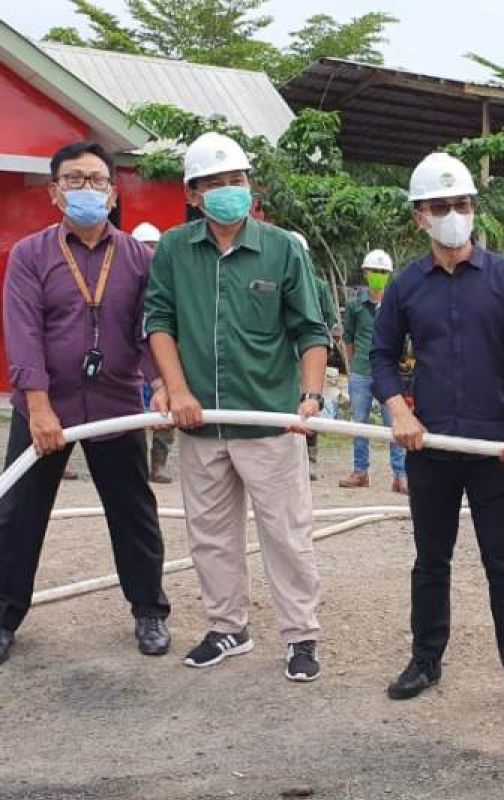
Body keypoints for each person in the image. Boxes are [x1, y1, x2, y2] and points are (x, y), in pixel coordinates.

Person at [144, 132, 330, 682]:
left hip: (268, 420)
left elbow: (310, 329)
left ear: (250, 186)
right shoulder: (176, 250)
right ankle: (229, 626)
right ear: (194, 194)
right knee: (210, 534)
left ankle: (301, 635)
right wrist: (177, 391)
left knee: (287, 533)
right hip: (201, 424)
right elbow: (159, 321)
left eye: (237, 180)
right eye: (216, 183)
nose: (230, 190)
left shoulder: (281, 248)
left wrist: (311, 395)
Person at [371, 151, 504, 719]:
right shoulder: (405, 286)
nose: (454, 215)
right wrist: (400, 412)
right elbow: (380, 356)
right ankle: (426, 659)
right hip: (432, 446)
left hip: (494, 446)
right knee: (431, 560)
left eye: (463, 205)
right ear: (420, 215)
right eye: (442, 206)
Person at [0, 142, 171, 665]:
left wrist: (159, 382)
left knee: (133, 511)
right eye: (74, 180)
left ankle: (149, 610)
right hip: (47, 411)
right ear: (54, 192)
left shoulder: (139, 258)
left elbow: (150, 329)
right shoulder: (31, 255)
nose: (87, 190)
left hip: (117, 406)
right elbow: (23, 332)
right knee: (17, 515)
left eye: (96, 180)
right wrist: (38, 403)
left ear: (113, 192)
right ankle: (4, 616)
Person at [339, 249, 407, 493]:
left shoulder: (396, 305)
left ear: (389, 275)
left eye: (383, 272)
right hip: (361, 373)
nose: (378, 276)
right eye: (374, 271)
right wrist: (354, 363)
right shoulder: (356, 306)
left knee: (396, 424)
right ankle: (360, 472)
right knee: (360, 423)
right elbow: (348, 338)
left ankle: (401, 475)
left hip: (388, 374)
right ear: (366, 273)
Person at [290, 231, 341, 481]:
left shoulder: (318, 286)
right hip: (282, 357)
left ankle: (310, 457)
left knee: (309, 402)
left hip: (308, 354)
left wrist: (325, 350)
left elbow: (329, 322)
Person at [132, 222, 175, 484]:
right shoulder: (123, 279)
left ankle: (158, 466)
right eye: (144, 247)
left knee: (165, 417)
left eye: (153, 247)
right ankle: (135, 467)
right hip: (134, 364)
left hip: (161, 361)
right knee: (132, 421)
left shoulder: (168, 280)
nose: (149, 252)